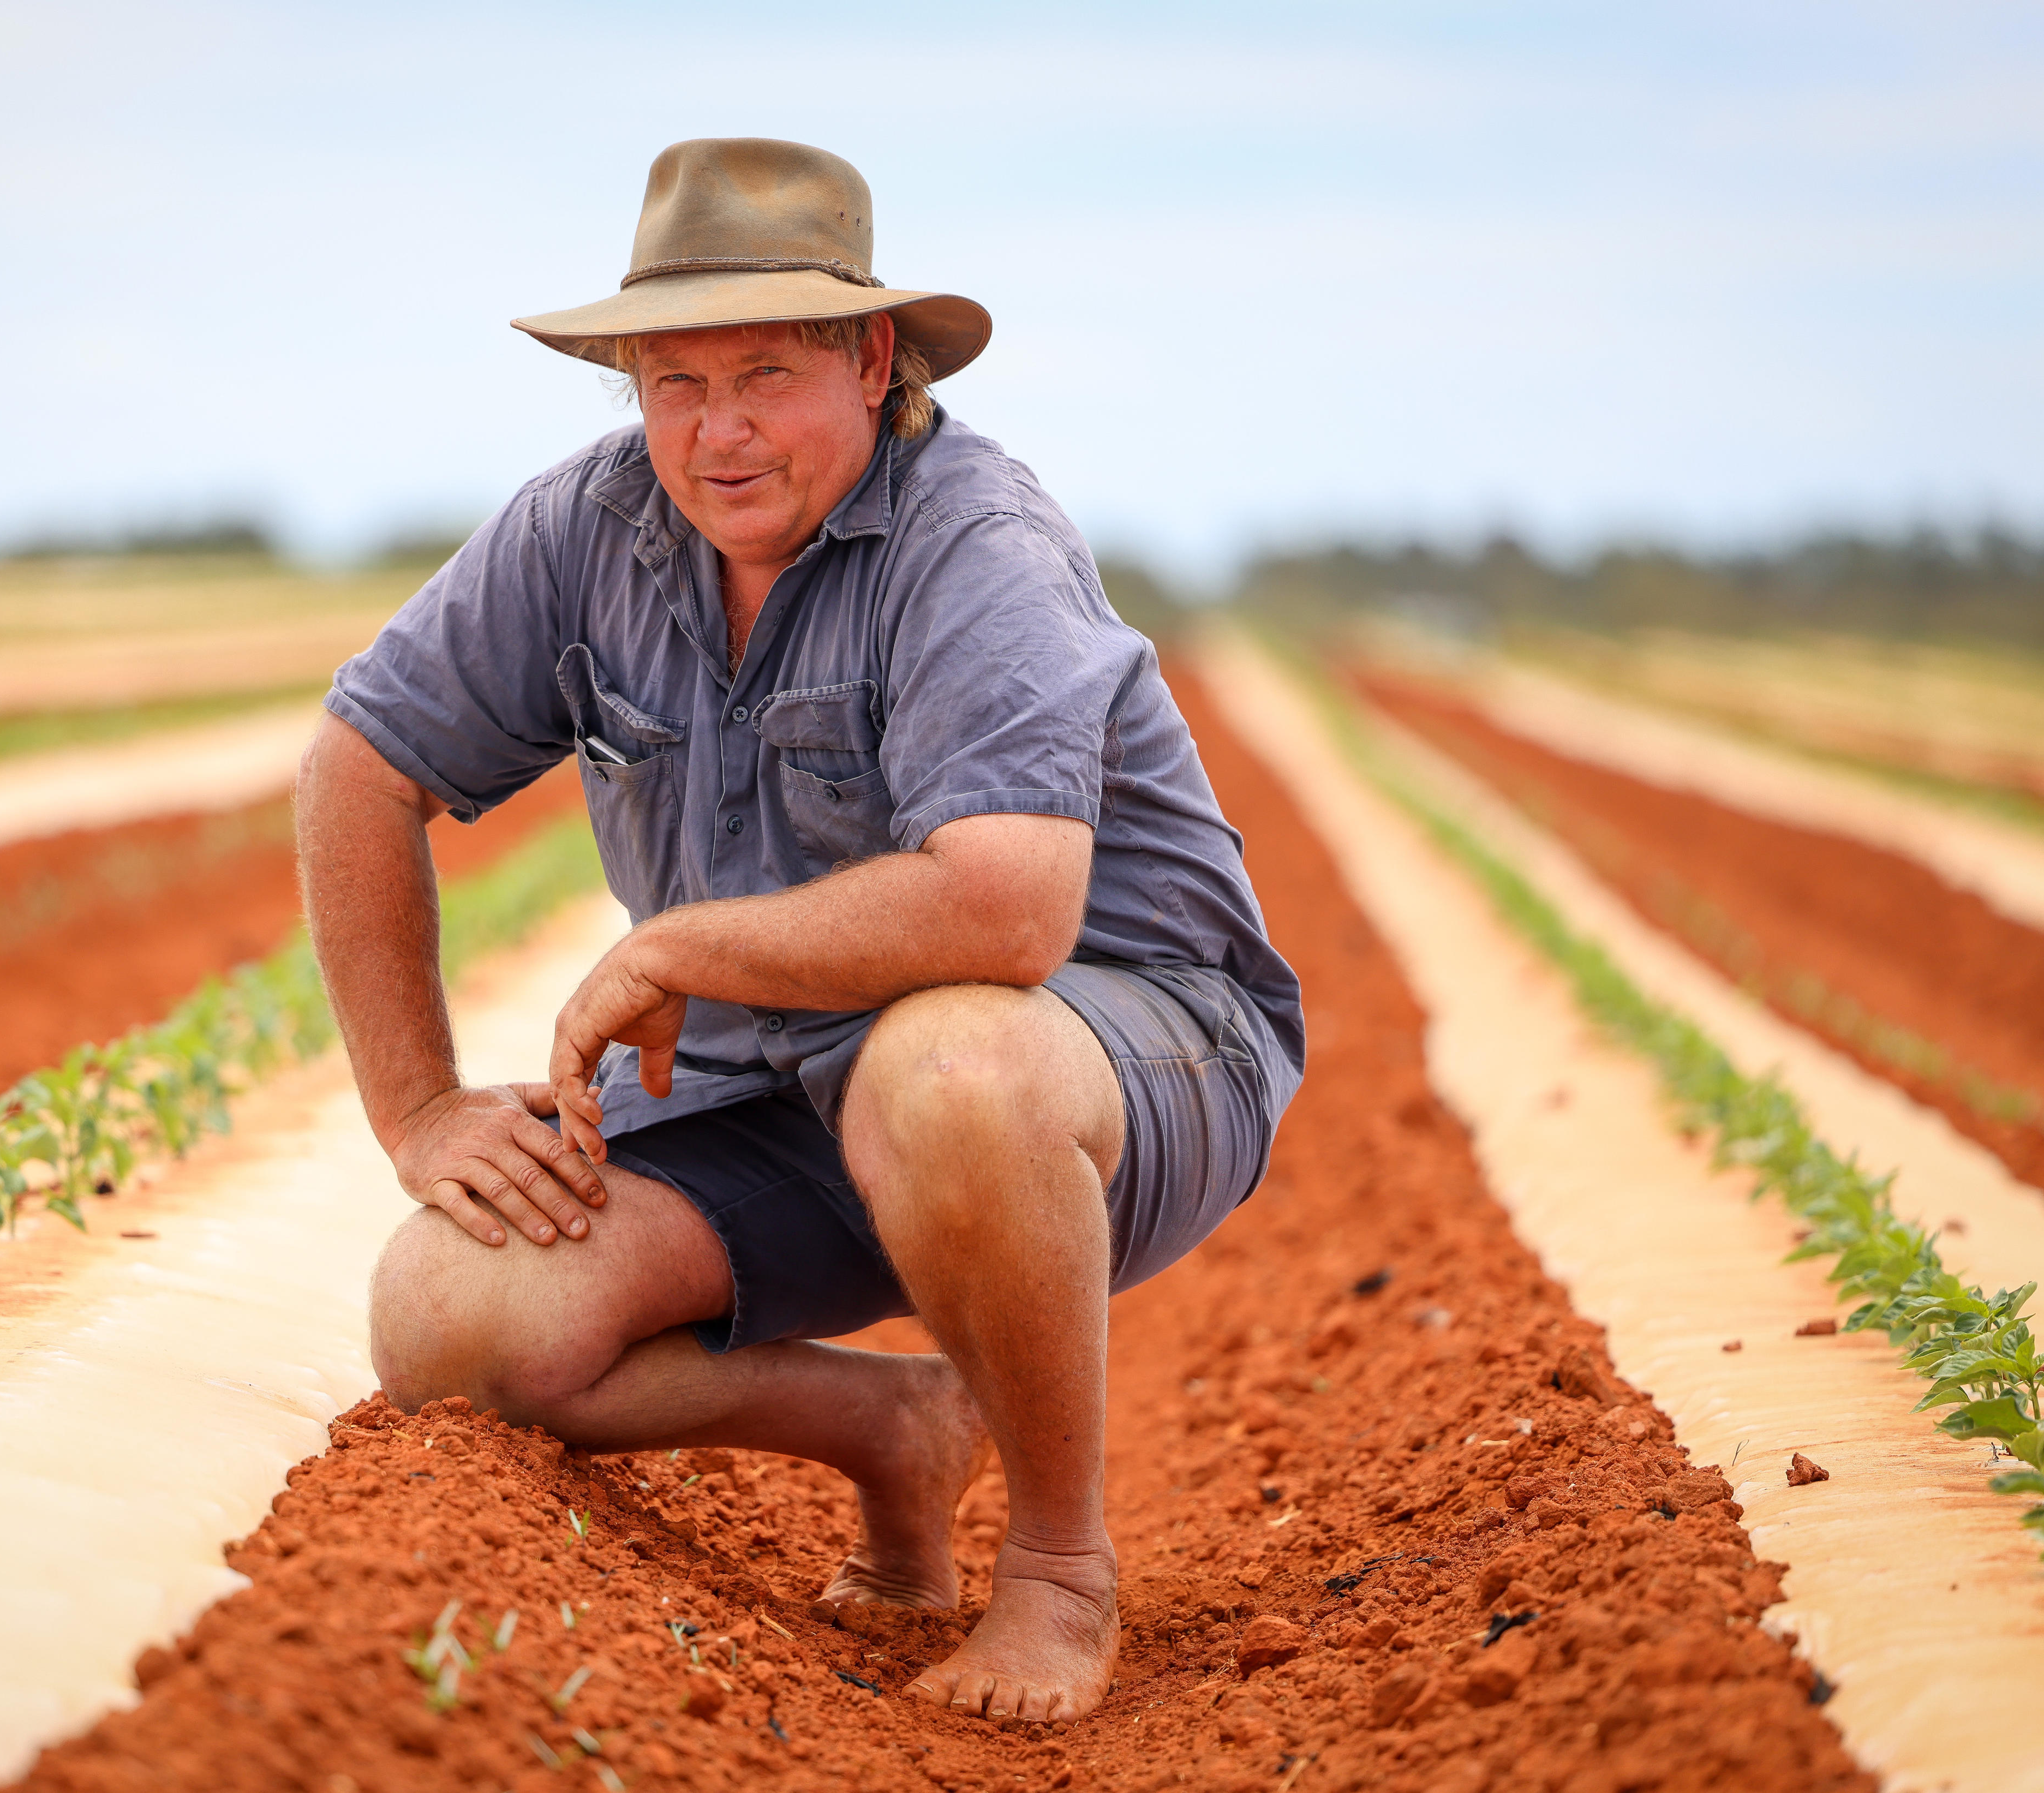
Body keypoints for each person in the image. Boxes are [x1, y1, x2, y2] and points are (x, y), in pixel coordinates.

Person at [296, 138, 1302, 1724]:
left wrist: (678, 951)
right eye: (675, 382)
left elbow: (1010, 908)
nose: (720, 430)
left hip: (1112, 1062)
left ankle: (1054, 1570)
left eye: (767, 372)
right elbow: (358, 768)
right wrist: (418, 1110)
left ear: (873, 359)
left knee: (950, 1064)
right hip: (776, 1088)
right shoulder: (588, 529)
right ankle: (892, 1428)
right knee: (451, 1319)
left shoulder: (974, 541)